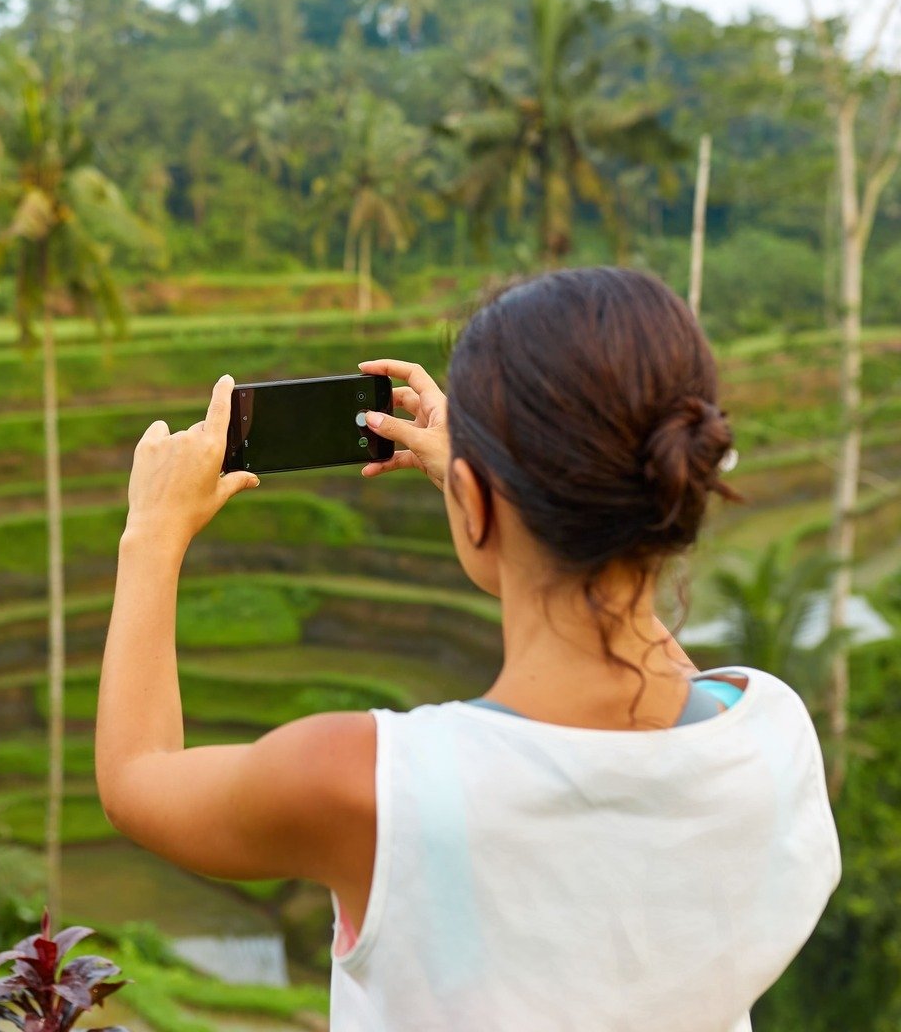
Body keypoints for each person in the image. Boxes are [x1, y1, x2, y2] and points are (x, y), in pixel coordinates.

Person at [94, 267, 840, 1032]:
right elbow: (658, 679)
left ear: (475, 503)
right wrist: (497, 494)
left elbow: (136, 778)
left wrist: (151, 533)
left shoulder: (372, 786)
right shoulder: (772, 734)